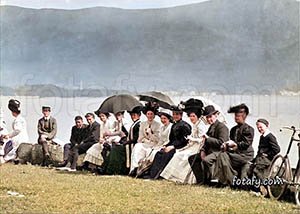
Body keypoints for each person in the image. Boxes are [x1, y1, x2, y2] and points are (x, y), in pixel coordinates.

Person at [160, 104, 208, 184]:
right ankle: (173, 176)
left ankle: (184, 178)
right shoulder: (194, 125)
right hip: (192, 145)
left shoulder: (200, 126)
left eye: (193, 116)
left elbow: (202, 140)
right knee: (178, 154)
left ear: (198, 116)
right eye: (190, 116)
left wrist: (192, 139)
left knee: (182, 156)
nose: (191, 118)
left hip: (198, 147)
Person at [214, 103, 254, 187]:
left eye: (238, 116)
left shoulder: (249, 129)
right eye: (235, 116)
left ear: (244, 116)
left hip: (245, 155)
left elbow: (246, 144)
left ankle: (229, 182)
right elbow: (231, 142)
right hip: (236, 154)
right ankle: (228, 180)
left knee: (223, 156)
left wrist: (234, 144)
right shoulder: (233, 129)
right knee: (222, 155)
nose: (236, 118)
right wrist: (226, 145)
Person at [188, 105, 229, 184]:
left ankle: (210, 181)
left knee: (206, 160)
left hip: (219, 152)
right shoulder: (211, 127)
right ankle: (200, 180)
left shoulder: (222, 127)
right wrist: (203, 150)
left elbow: (222, 142)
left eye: (210, 117)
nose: (209, 119)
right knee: (192, 158)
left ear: (216, 115)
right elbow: (205, 141)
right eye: (207, 117)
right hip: (210, 151)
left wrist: (208, 139)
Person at [149, 105, 192, 179]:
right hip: (172, 145)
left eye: (177, 114)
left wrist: (173, 146)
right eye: (174, 114)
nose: (175, 116)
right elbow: (171, 139)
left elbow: (184, 140)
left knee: (167, 154)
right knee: (159, 153)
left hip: (182, 146)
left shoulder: (185, 125)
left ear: (181, 115)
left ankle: (159, 175)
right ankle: (152, 174)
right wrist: (166, 145)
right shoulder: (174, 125)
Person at [135, 109, 173, 177]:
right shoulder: (162, 127)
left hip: (167, 145)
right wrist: (157, 145)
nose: (163, 120)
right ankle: (143, 170)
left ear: (168, 119)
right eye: (161, 118)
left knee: (154, 153)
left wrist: (162, 145)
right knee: (150, 151)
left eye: (164, 118)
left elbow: (169, 139)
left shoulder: (170, 127)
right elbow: (160, 140)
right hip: (160, 144)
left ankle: (153, 173)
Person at [248, 118, 280, 193]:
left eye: (261, 127)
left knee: (257, 171)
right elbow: (260, 150)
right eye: (258, 127)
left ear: (266, 126)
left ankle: (267, 191)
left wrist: (268, 155)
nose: (259, 129)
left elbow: (277, 149)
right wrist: (255, 159)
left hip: (266, 160)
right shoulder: (262, 136)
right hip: (260, 159)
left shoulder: (270, 136)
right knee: (252, 170)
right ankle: (256, 190)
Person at [129, 102, 161, 175]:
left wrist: (150, 134)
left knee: (150, 151)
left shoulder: (157, 125)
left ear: (154, 115)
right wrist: (146, 139)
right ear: (146, 115)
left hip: (154, 144)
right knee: (137, 147)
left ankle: (145, 170)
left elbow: (157, 139)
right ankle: (135, 168)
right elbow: (140, 138)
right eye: (148, 114)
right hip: (144, 143)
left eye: (151, 114)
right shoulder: (143, 124)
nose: (150, 116)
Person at [0, 99, 29, 164]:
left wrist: (8, 135)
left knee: (8, 151)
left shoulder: (18, 120)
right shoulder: (21, 118)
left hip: (19, 139)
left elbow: (17, 130)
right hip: (23, 138)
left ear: (13, 112)